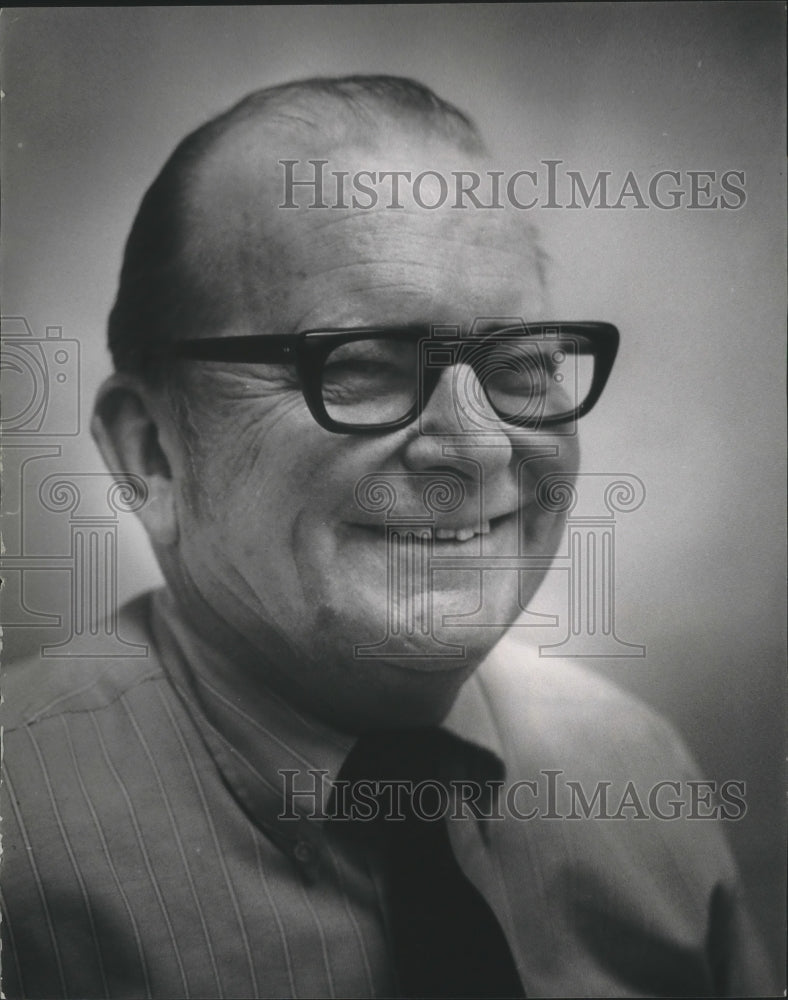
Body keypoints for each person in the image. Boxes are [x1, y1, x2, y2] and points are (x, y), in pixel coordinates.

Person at [0, 76, 772, 999]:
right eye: (361, 368)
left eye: (521, 365)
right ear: (152, 451)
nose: (479, 447)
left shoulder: (638, 774)